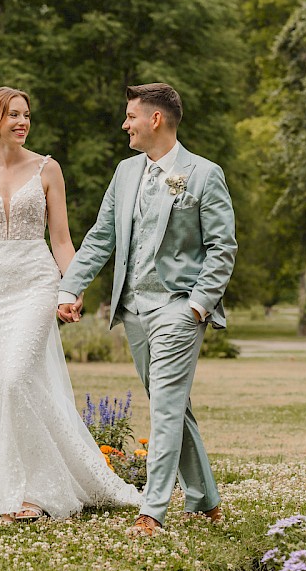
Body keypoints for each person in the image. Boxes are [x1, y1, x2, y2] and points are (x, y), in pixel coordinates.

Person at [0, 86, 141, 522]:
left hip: (35, 283)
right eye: (12, 114)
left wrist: (72, 288)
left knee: (14, 379)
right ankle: (29, 481)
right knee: (9, 389)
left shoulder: (48, 169)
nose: (22, 122)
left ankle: (39, 492)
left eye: (26, 114)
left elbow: (63, 239)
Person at [57, 83, 237, 538]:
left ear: (155, 119)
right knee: (172, 407)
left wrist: (197, 306)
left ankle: (152, 512)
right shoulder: (124, 172)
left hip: (178, 309)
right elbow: (101, 236)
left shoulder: (203, 174)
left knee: (165, 411)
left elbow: (222, 248)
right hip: (135, 310)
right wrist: (70, 286)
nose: (125, 124)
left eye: (131, 116)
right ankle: (205, 502)